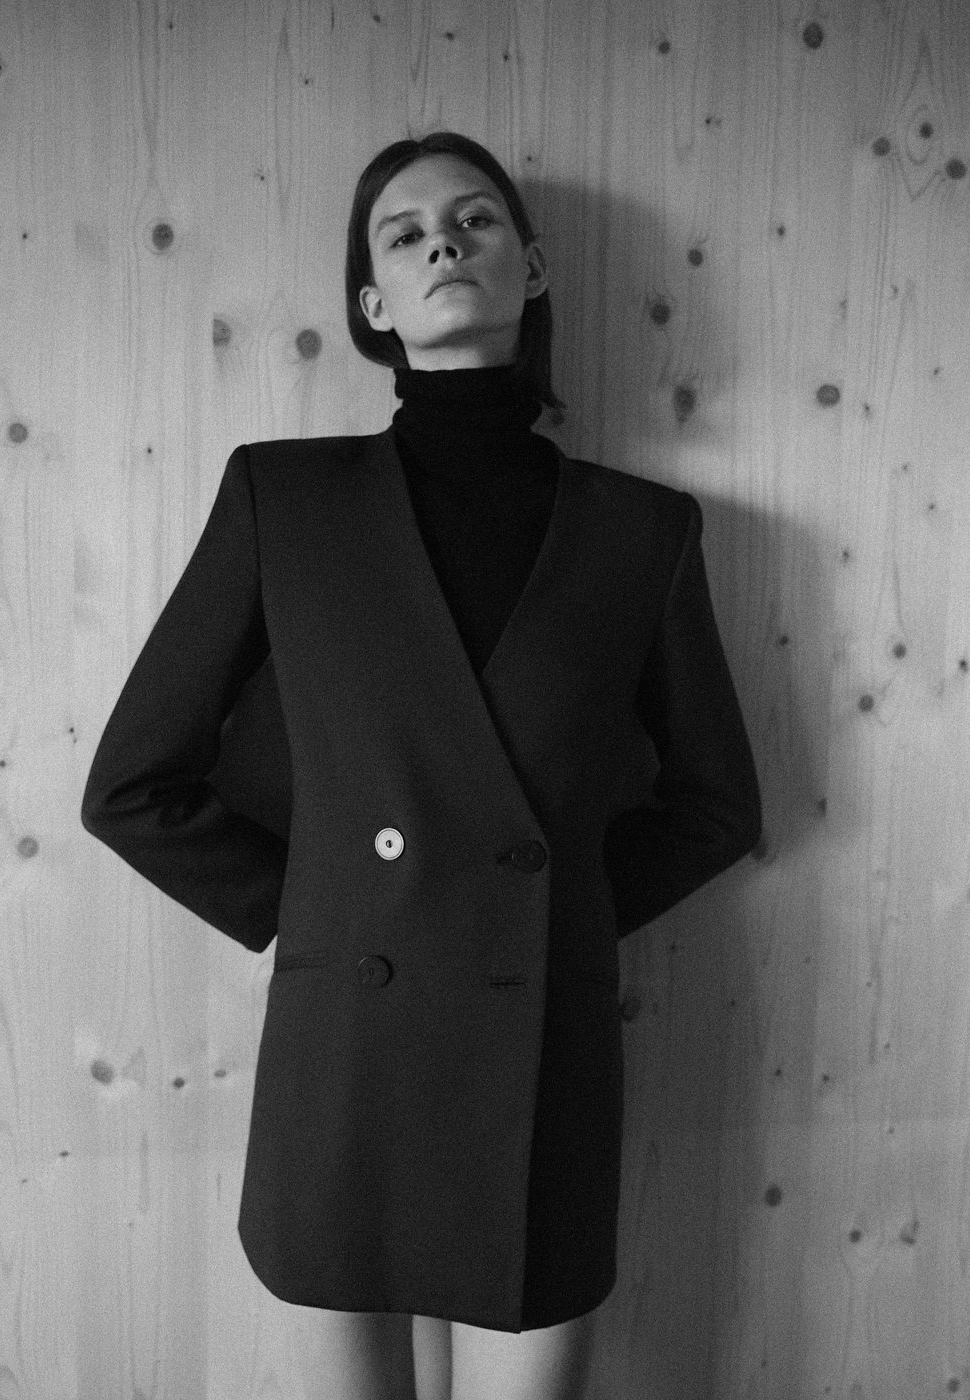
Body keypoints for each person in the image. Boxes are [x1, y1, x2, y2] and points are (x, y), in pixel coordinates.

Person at [81, 131, 762, 1400]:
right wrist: (327, 905)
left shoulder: (641, 530)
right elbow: (131, 785)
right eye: (403, 234)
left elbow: (715, 805)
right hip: (348, 1051)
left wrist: (553, 912)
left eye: (475, 218)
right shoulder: (283, 502)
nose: (442, 240)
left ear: (531, 265)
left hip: (541, 1051)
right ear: (373, 303)